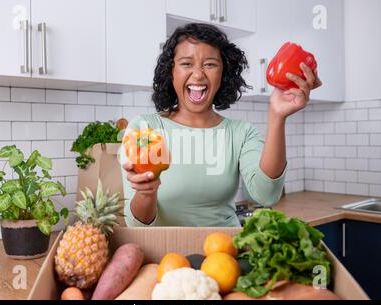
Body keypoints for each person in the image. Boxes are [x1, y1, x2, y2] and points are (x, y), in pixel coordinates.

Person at [120, 23, 322, 227]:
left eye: (210, 64)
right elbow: (137, 226)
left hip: (225, 252)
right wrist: (147, 192)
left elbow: (266, 195)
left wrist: (277, 116)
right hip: (166, 256)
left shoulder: (241, 132)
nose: (198, 74)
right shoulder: (144, 128)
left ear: (223, 74)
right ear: (170, 71)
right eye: (186, 63)